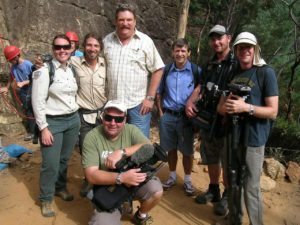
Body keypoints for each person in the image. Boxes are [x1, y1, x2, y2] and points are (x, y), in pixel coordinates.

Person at [217, 32, 278, 225]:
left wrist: (246, 108)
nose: (245, 51)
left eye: (248, 47)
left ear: (255, 49)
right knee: (232, 181)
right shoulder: (232, 72)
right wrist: (226, 107)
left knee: (251, 186)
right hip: (231, 135)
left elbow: (273, 111)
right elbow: (220, 107)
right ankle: (234, 220)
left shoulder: (265, 72)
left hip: (253, 138)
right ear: (235, 50)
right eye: (241, 47)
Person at [82, 100, 163, 225]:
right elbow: (91, 175)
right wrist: (121, 177)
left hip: (131, 182)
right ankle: (119, 206)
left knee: (156, 189)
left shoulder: (130, 130)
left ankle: (140, 216)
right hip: (106, 187)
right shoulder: (92, 137)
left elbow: (149, 147)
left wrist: (121, 152)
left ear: (125, 120)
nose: (113, 123)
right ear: (102, 117)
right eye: (108, 118)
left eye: (118, 119)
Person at [185, 24, 237, 215]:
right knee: (211, 157)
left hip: (228, 121)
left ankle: (227, 195)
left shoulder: (236, 62)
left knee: (228, 160)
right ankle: (214, 189)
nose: (216, 42)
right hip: (208, 119)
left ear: (228, 38)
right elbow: (200, 85)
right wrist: (189, 102)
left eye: (220, 38)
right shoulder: (210, 63)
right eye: (213, 39)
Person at [31, 34, 80, 217]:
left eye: (66, 47)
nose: (62, 50)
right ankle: (45, 198)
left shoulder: (71, 69)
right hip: (53, 122)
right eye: (58, 47)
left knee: (64, 159)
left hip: (72, 120)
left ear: (71, 48)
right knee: (50, 163)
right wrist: (43, 128)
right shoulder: (44, 71)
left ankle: (60, 187)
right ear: (52, 50)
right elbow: (37, 102)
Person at [103, 3, 164, 138]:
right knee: (113, 145)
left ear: (135, 21)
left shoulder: (145, 41)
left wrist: (150, 98)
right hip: (113, 105)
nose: (125, 23)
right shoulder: (106, 41)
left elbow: (158, 69)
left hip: (138, 106)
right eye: (121, 20)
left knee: (139, 146)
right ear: (115, 21)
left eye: (129, 20)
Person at [156, 38, 201, 196]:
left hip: (186, 118)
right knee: (171, 149)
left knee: (187, 150)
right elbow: (159, 92)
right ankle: (172, 176)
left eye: (183, 51)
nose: (180, 54)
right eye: (177, 50)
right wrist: (161, 113)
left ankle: (187, 180)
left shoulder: (196, 71)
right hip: (168, 115)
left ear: (188, 53)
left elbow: (201, 92)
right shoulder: (166, 70)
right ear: (172, 52)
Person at [71, 33, 107, 197]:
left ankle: (101, 179)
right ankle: (88, 179)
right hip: (83, 115)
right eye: (89, 45)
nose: (92, 49)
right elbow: (57, 61)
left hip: (103, 115)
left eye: (96, 46)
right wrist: (39, 64)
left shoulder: (105, 64)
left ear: (100, 48)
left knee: (103, 149)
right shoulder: (74, 63)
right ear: (84, 47)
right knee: (86, 149)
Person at [2, 45, 38, 143]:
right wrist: (7, 87)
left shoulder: (27, 64)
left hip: (32, 90)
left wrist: (23, 83)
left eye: (11, 60)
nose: (10, 62)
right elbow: (11, 77)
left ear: (17, 56)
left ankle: (36, 133)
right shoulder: (13, 67)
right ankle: (32, 132)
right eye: (9, 60)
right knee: (28, 111)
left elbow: (35, 78)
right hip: (23, 93)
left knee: (34, 111)